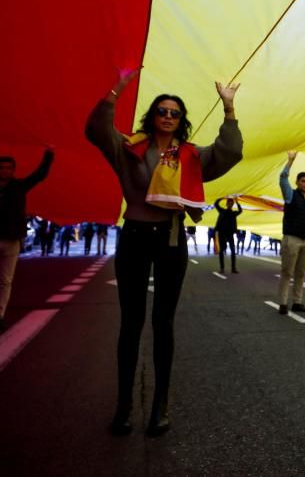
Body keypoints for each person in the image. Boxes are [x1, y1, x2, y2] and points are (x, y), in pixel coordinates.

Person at [86, 68, 242, 437]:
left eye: (175, 112)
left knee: (163, 324)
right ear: (152, 116)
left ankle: (160, 407)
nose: (168, 116)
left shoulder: (191, 156)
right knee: (130, 323)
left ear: (181, 120)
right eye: (162, 111)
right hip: (135, 236)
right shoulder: (129, 149)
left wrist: (229, 108)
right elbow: (95, 130)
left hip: (171, 238)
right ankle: (124, 406)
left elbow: (230, 152)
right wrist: (117, 86)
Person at [0, 140, 54, 328]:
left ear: (13, 170)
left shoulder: (20, 187)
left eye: (8, 168)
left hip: (10, 240)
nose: (4, 171)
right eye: (1, 167)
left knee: (4, 280)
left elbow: (40, 175)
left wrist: (49, 154)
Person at [278, 150, 305, 314]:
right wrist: (290, 161)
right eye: (303, 181)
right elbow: (282, 178)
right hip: (292, 239)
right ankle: (282, 303)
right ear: (297, 182)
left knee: (300, 273)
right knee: (287, 272)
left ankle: (297, 302)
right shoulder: (290, 195)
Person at [214, 197, 242, 273]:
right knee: (221, 251)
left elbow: (240, 211)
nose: (230, 204)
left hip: (230, 234)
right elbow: (216, 204)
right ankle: (222, 268)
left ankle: (233, 268)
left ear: (232, 204)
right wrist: (222, 198)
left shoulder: (234, 213)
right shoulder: (222, 211)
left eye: (231, 203)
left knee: (233, 251)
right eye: (229, 203)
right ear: (226, 204)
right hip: (222, 234)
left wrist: (237, 202)